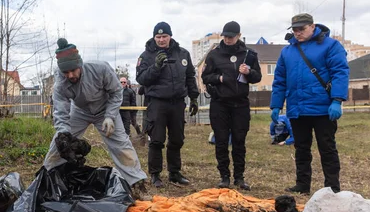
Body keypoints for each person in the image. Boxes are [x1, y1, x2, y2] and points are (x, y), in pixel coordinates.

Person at [43, 38, 147, 197]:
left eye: (73, 70)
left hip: (105, 109)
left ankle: (137, 183)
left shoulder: (100, 69)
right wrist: (64, 134)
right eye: (66, 72)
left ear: (80, 64)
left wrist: (110, 116)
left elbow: (117, 92)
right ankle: (47, 179)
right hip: (79, 111)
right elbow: (61, 111)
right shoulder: (60, 83)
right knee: (58, 144)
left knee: (121, 144)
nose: (70, 75)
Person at [270, 13, 349, 194]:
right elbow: (280, 79)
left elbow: (340, 72)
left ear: (312, 26)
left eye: (302, 29)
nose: (298, 33)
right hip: (297, 108)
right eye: (295, 29)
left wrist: (337, 100)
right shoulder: (287, 51)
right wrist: (276, 104)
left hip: (323, 108)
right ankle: (302, 185)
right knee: (301, 148)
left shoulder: (330, 46)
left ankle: (332, 187)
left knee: (327, 148)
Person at [136, 22, 199, 188]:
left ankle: (174, 173)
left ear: (170, 36)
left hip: (177, 102)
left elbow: (190, 76)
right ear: (154, 37)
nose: (161, 40)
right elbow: (141, 79)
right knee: (156, 140)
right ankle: (155, 174)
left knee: (177, 139)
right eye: (158, 37)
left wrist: (193, 97)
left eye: (164, 36)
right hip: (157, 102)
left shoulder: (182, 54)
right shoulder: (146, 56)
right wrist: (156, 66)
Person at [201, 21, 261, 190]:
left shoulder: (249, 54)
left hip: (240, 104)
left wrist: (248, 72)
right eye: (225, 36)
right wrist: (219, 78)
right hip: (220, 103)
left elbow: (257, 77)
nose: (227, 39)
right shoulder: (214, 54)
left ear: (239, 36)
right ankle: (224, 176)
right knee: (221, 141)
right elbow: (205, 76)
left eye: (231, 37)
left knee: (239, 141)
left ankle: (239, 177)